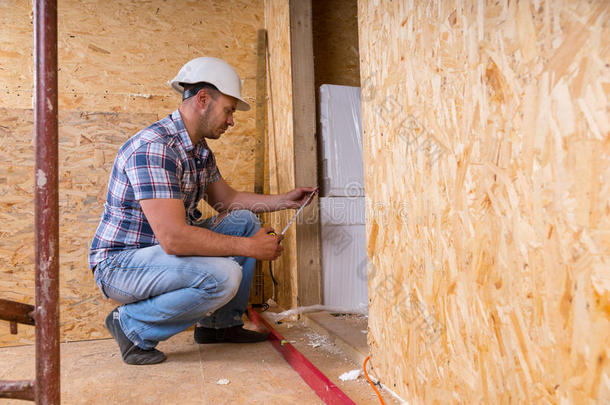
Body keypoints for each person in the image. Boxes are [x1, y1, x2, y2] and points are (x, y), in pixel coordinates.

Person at [89, 56, 317, 365]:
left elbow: (228, 200)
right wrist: (250, 248)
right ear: (203, 99)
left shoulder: (198, 151)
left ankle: (219, 326)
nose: (231, 120)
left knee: (243, 221)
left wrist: (285, 200)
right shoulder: (155, 148)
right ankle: (130, 325)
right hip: (121, 265)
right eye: (229, 110)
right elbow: (173, 239)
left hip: (158, 254)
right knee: (223, 277)